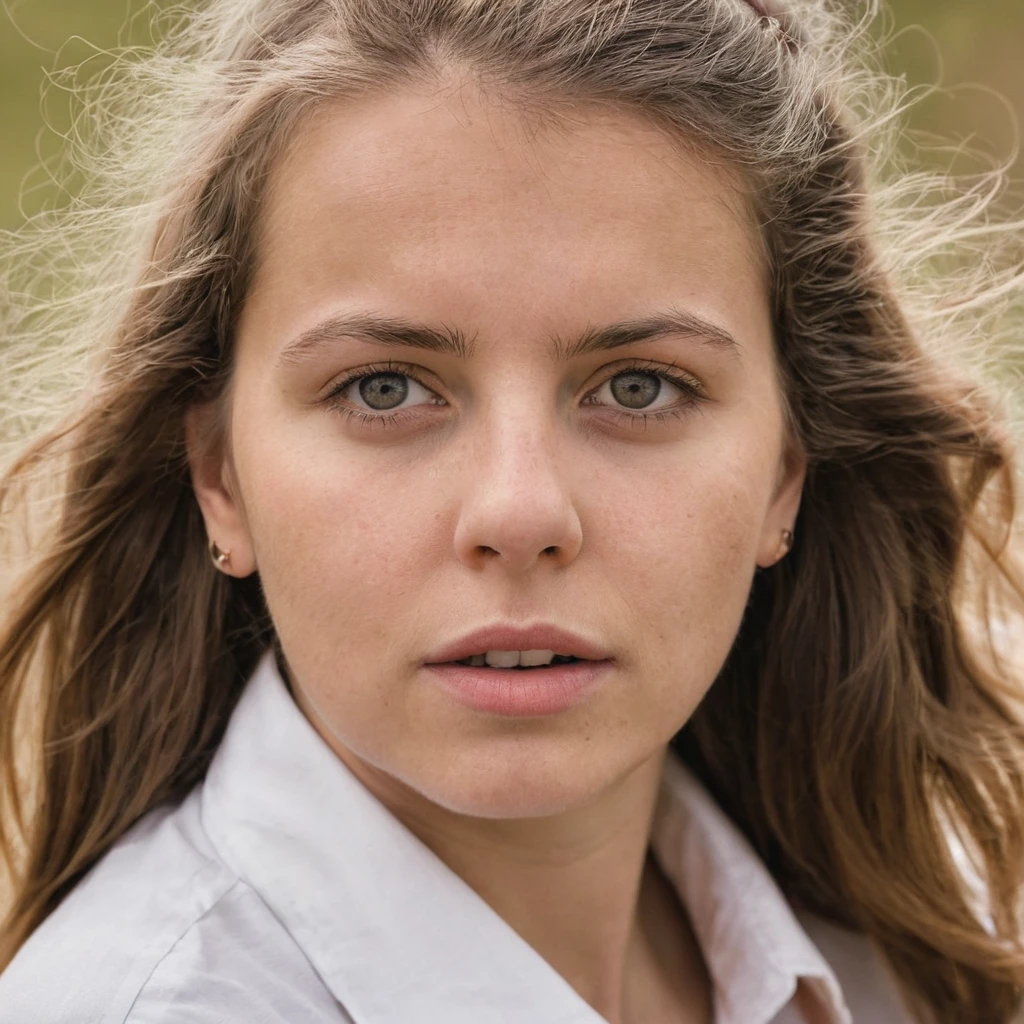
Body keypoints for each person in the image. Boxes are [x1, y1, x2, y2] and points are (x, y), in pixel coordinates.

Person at [1, 0, 1023, 1020]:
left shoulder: (929, 958)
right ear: (219, 476)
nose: (521, 511)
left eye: (638, 387)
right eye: (384, 388)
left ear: (785, 468)